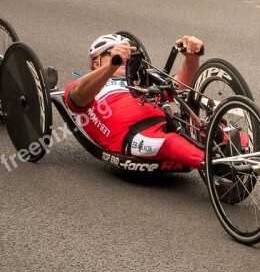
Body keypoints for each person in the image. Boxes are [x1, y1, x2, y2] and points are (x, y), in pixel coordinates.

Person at [64, 33, 206, 170]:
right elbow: (77, 97)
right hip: (135, 135)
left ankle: (225, 157)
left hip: (170, 124)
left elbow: (179, 86)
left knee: (213, 128)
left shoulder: (141, 81)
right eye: (112, 52)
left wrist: (192, 58)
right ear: (96, 63)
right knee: (169, 143)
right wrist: (112, 65)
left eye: (129, 54)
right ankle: (217, 166)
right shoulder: (86, 85)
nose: (126, 57)